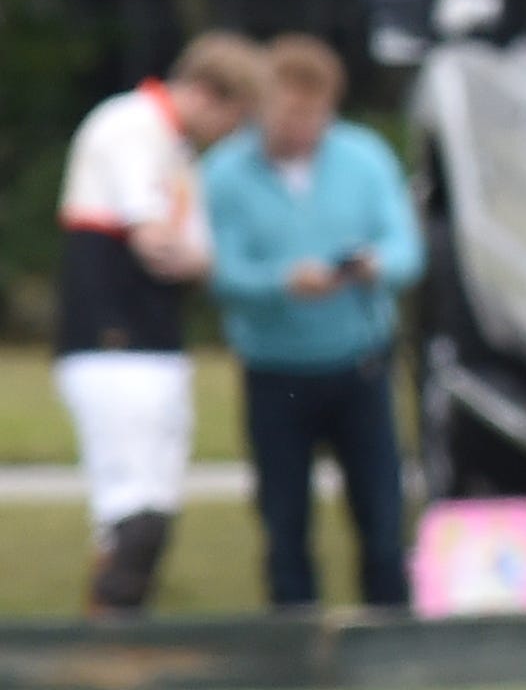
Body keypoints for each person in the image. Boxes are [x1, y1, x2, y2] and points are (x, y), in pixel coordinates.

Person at [201, 34, 422, 611]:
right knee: (285, 523)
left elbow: (406, 250)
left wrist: (373, 266)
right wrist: (281, 282)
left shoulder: (365, 157)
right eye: (289, 113)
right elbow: (219, 273)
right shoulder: (224, 173)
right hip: (276, 371)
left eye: (313, 115)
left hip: (360, 362)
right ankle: (295, 653)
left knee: (381, 519)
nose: (301, 128)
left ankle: (391, 644)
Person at [53, 31, 260, 616]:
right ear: (210, 94)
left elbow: (193, 253)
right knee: (133, 518)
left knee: (155, 512)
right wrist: (208, 263)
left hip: (156, 339)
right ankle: (109, 644)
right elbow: (160, 247)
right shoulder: (131, 127)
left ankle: (121, 638)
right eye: (235, 117)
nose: (231, 134)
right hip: (112, 342)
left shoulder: (178, 150)